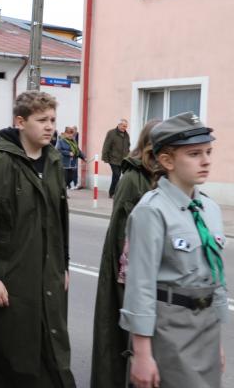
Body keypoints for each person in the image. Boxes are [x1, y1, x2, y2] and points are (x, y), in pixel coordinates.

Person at [0, 91, 75, 388]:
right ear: (20, 122)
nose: (50, 126)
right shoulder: (0, 162)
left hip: (48, 271)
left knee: (51, 347)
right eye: (41, 120)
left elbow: (59, 220)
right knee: (14, 353)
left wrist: (64, 265)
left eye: (53, 120)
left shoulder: (53, 160)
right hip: (10, 275)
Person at [120, 112, 227, 388]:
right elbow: (140, 286)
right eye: (194, 154)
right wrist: (142, 354)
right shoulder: (151, 211)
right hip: (170, 328)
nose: (206, 161)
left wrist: (217, 342)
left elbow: (215, 277)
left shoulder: (210, 209)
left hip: (206, 327)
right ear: (167, 161)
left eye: (208, 152)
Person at [89, 119, 160, 388]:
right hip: (127, 275)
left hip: (147, 277)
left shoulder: (159, 176)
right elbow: (123, 239)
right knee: (121, 342)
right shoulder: (133, 179)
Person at [102, 119, 130, 198]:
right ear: (119, 125)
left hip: (123, 160)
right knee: (116, 175)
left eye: (126, 126)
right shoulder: (111, 133)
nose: (125, 128)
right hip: (113, 159)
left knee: (121, 176)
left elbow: (128, 147)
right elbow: (106, 145)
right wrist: (105, 158)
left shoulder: (126, 135)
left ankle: (116, 192)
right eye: (123, 126)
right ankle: (112, 193)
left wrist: (129, 157)